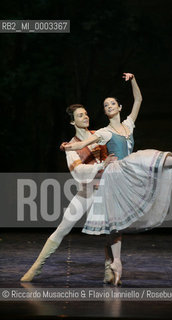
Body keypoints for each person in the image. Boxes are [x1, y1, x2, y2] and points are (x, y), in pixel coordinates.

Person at [63, 72, 172, 285]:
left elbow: (139, 99)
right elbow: (81, 144)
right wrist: (69, 146)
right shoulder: (104, 132)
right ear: (105, 112)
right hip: (115, 175)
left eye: (113, 103)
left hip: (130, 170)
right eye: (106, 105)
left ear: (120, 108)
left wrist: (133, 80)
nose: (109, 106)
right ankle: (117, 263)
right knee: (116, 223)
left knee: (146, 162)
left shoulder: (128, 124)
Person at [20, 104, 117, 283]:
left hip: (105, 190)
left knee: (110, 231)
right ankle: (37, 266)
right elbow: (79, 172)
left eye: (86, 114)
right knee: (63, 228)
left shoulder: (99, 135)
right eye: (80, 115)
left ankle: (109, 270)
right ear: (73, 121)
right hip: (86, 192)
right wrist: (102, 165)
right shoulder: (71, 147)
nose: (85, 117)